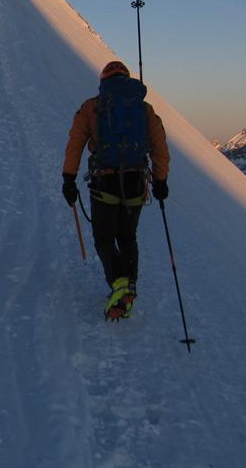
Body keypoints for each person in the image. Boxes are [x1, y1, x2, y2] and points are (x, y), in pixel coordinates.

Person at [61, 60, 170, 320]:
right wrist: (161, 181)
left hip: (104, 182)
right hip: (135, 182)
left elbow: (75, 144)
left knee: (104, 238)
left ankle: (119, 283)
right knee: (127, 236)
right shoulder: (143, 109)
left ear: (103, 81)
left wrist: (69, 178)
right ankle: (128, 283)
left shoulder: (92, 107)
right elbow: (160, 148)